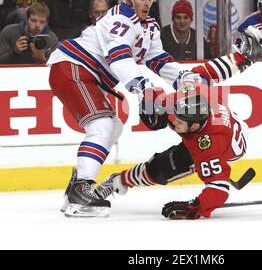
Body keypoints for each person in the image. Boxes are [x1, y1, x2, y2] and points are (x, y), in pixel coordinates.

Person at [49, 0, 262, 218]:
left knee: (113, 126)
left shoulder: (149, 27)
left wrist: (186, 77)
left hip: (86, 73)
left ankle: (77, 187)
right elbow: (119, 57)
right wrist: (144, 88)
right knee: (102, 125)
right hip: (72, 66)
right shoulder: (120, 18)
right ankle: (81, 189)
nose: (147, 3)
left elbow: (160, 62)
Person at [95, 83, 249, 220]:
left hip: (231, 148)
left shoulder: (208, 145)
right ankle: (119, 180)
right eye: (176, 116)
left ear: (194, 127)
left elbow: (219, 188)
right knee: (161, 165)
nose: (174, 122)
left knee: (160, 170)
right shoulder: (195, 96)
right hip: (227, 126)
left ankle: (120, 180)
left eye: (180, 122)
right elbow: (159, 96)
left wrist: (194, 207)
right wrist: (152, 106)